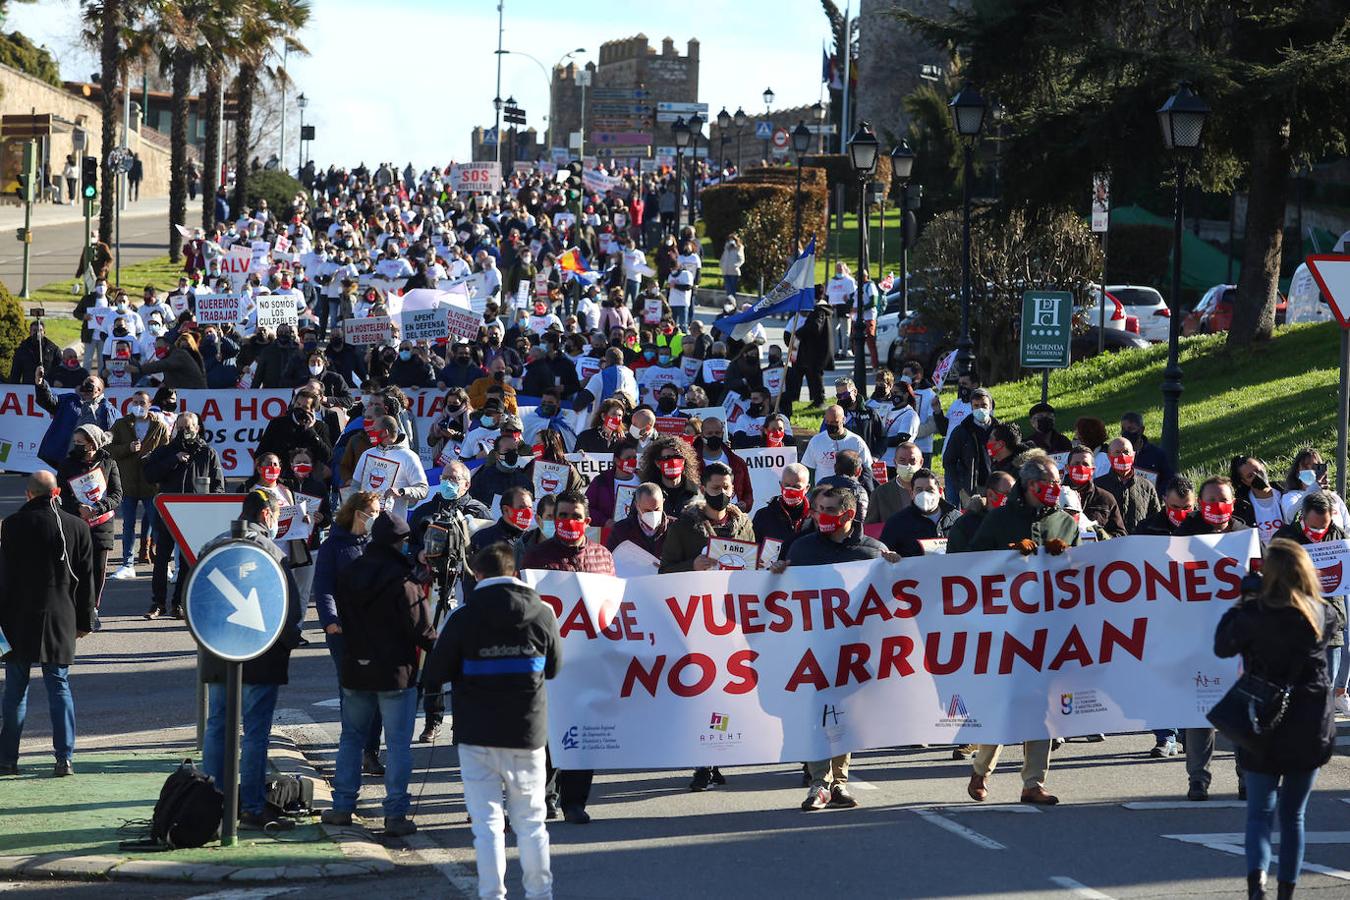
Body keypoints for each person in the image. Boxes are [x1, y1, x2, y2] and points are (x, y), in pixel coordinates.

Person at [423, 542, 559, 900]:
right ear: (514, 573)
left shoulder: (463, 617)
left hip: (477, 734)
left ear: (477, 575)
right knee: (532, 823)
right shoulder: (543, 613)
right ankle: (539, 894)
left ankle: (492, 894)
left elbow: (435, 673)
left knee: (487, 826)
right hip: (527, 733)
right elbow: (556, 668)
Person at [1215, 539, 1336, 900]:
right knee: (1294, 815)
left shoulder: (1254, 613)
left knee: (1258, 814)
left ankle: (1257, 888)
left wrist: (1244, 602)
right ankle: (1287, 891)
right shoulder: (1322, 613)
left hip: (1262, 718)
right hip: (1309, 720)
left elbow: (1222, 646)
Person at [963, 453, 1079, 806]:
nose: (1057, 490)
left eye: (1059, 484)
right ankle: (981, 769)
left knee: (1041, 707)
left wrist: (1066, 555)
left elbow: (1082, 572)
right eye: (1050, 484)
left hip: (1049, 627)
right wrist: (1011, 554)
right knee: (1007, 705)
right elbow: (974, 562)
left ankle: (1033, 782)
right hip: (1006, 627)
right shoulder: (999, 519)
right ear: (1031, 485)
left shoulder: (1065, 522)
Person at [778, 485, 897, 811]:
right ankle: (819, 783)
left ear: (848, 513)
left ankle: (839, 783)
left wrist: (896, 570)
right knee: (817, 716)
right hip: (812, 651)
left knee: (844, 718)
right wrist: (776, 575)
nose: (820, 516)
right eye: (817, 510)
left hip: (855, 652)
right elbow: (782, 593)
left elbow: (891, 601)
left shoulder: (872, 551)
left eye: (828, 511)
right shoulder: (801, 549)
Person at [322, 512, 435, 838]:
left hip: (356, 667)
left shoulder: (352, 572)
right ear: (397, 542)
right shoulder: (404, 581)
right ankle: (395, 814)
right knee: (398, 745)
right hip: (395, 673)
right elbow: (421, 631)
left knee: (351, 738)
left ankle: (343, 807)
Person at [199, 490, 304, 831]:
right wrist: (285, 645)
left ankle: (213, 803)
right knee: (255, 733)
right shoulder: (271, 552)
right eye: (276, 515)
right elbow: (292, 608)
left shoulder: (213, 546)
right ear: (265, 515)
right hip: (261, 654)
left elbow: (195, 596)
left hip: (218, 650)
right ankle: (253, 807)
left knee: (218, 724)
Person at [521, 492, 613, 824]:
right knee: (545, 734)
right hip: (547, 661)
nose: (568, 522)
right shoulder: (536, 557)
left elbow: (612, 605)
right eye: (562, 515)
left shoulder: (602, 556)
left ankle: (575, 802)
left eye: (575, 515)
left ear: (587, 521)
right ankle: (545, 797)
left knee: (582, 733)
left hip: (589, 663)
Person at [0, 471, 96, 777]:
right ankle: (64, 757)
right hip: (61, 616)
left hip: (16, 618)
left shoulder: (11, 526)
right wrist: (85, 621)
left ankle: (7, 759)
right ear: (56, 493)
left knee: (15, 691)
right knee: (59, 686)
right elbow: (86, 581)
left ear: (28, 494)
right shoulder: (77, 527)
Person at [1177, 475, 1250, 801]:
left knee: (1241, 710)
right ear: (1200, 503)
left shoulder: (1243, 533)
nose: (1217, 507)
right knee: (1200, 710)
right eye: (1210, 501)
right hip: (1196, 635)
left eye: (1223, 500)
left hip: (1238, 637)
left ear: (1232, 502)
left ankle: (1247, 777)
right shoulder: (1184, 533)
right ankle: (1198, 779)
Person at [313, 491, 384, 774]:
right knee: (352, 692)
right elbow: (324, 586)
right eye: (374, 512)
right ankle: (352, 752)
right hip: (343, 631)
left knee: (377, 691)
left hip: (374, 630)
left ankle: (371, 752)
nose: (376, 517)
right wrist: (331, 621)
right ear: (358, 513)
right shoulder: (333, 546)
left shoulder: (376, 544)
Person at [141, 413, 224, 618]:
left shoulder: (207, 453)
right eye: (181, 428)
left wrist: (211, 510)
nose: (185, 432)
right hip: (167, 514)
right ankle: (157, 603)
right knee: (161, 559)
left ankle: (178, 603)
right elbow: (149, 475)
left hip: (195, 515)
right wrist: (173, 460)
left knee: (187, 560)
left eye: (189, 428)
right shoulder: (166, 451)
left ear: (197, 428)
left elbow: (218, 486)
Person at [1272, 492, 1348, 692]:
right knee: (1294, 691)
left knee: (1324, 690)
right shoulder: (1285, 537)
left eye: (1324, 525)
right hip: (1294, 627)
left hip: (1331, 627)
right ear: (1302, 517)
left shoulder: (1339, 535)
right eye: (1314, 527)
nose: (1320, 531)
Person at [54, 424, 122, 615]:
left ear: (93, 444)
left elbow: (117, 495)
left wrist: (98, 508)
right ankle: (74, 608)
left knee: (98, 571)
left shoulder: (109, 463)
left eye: (80, 442)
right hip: (76, 524)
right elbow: (59, 496)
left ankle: (92, 610)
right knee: (75, 569)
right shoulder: (67, 465)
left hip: (102, 524)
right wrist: (78, 507)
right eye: (74, 442)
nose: (76, 446)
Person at [108, 389, 170, 579]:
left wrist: (153, 457)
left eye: (142, 402)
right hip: (127, 484)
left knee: (157, 525)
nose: (138, 406)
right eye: (135, 402)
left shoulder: (159, 425)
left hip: (151, 485)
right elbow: (108, 448)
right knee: (128, 525)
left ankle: (163, 565)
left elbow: (166, 451)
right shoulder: (121, 424)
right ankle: (128, 564)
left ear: (150, 404)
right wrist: (127, 448)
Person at [34, 372, 118, 469]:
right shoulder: (70, 400)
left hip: (93, 463)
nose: (85, 385)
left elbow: (114, 436)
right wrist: (40, 383)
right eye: (84, 383)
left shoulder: (108, 410)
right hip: (68, 461)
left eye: (90, 383)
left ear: (98, 390)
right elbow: (48, 401)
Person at [350, 414, 428, 519]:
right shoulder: (367, 453)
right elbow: (355, 485)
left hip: (392, 525)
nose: (369, 433)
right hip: (364, 522)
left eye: (374, 429)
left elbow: (423, 490)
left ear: (385, 432)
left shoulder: (408, 457)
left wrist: (401, 491)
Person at [879, 468, 961, 556]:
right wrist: (890, 556)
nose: (924, 494)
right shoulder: (896, 523)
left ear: (940, 491)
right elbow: (883, 553)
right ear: (911, 494)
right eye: (919, 490)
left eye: (930, 490)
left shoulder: (957, 519)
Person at [1094, 436, 1162, 533]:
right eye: (1117, 453)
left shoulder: (1147, 486)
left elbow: (1156, 521)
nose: (1122, 456)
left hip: (1139, 544)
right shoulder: (1098, 486)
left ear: (1133, 456)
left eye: (1126, 452)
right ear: (1109, 457)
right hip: (1109, 544)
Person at [942, 388, 997, 505]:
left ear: (991, 406)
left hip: (995, 485)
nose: (980, 409)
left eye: (984, 405)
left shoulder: (999, 430)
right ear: (971, 408)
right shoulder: (961, 431)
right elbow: (948, 461)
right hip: (971, 487)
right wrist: (961, 489)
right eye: (976, 406)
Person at [945, 472, 1016, 554]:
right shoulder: (965, 525)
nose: (1013, 499)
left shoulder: (1018, 521)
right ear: (991, 495)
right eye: (1008, 494)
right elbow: (955, 558)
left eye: (1015, 494)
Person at [800, 405, 874, 484]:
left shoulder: (856, 441)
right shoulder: (816, 441)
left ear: (843, 420)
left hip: (848, 491)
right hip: (823, 492)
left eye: (834, 422)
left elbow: (867, 469)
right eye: (827, 422)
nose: (830, 425)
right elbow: (809, 469)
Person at [751, 463, 813, 557]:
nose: (791, 491)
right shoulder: (763, 515)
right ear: (781, 485)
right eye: (787, 485)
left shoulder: (815, 516)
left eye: (796, 487)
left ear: (807, 488)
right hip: (772, 571)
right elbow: (752, 552)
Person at [1063, 445, 1126, 538]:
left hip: (1097, 550)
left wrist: (1102, 536)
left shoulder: (1105, 498)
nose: (1081, 467)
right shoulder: (1056, 496)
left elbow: (1121, 534)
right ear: (1067, 468)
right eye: (1076, 464)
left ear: (1093, 470)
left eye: (1085, 464)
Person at [603, 482, 669, 559]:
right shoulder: (620, 530)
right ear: (637, 505)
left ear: (663, 502)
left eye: (657, 509)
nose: (653, 514)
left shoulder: (675, 527)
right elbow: (608, 561)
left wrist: (666, 566)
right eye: (647, 511)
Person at [639, 436, 701, 517]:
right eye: (667, 458)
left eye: (677, 457)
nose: (673, 461)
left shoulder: (695, 493)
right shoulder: (646, 492)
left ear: (684, 461)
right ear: (657, 463)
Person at [586, 441, 642, 527]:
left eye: (634, 458)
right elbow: (586, 507)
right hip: (609, 533)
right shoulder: (601, 481)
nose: (632, 461)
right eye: (628, 458)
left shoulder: (642, 480)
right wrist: (605, 521)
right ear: (617, 461)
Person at [867, 442, 923, 524]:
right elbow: (871, 526)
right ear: (895, 463)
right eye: (902, 461)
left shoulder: (931, 489)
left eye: (912, 461)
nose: (908, 465)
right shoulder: (880, 493)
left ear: (921, 462)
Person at [1120, 412, 1173, 491]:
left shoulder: (1157, 454)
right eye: (1123, 430)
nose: (1126, 433)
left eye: (1131, 429)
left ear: (1141, 430)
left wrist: (1156, 495)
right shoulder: (1117, 453)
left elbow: (1169, 480)